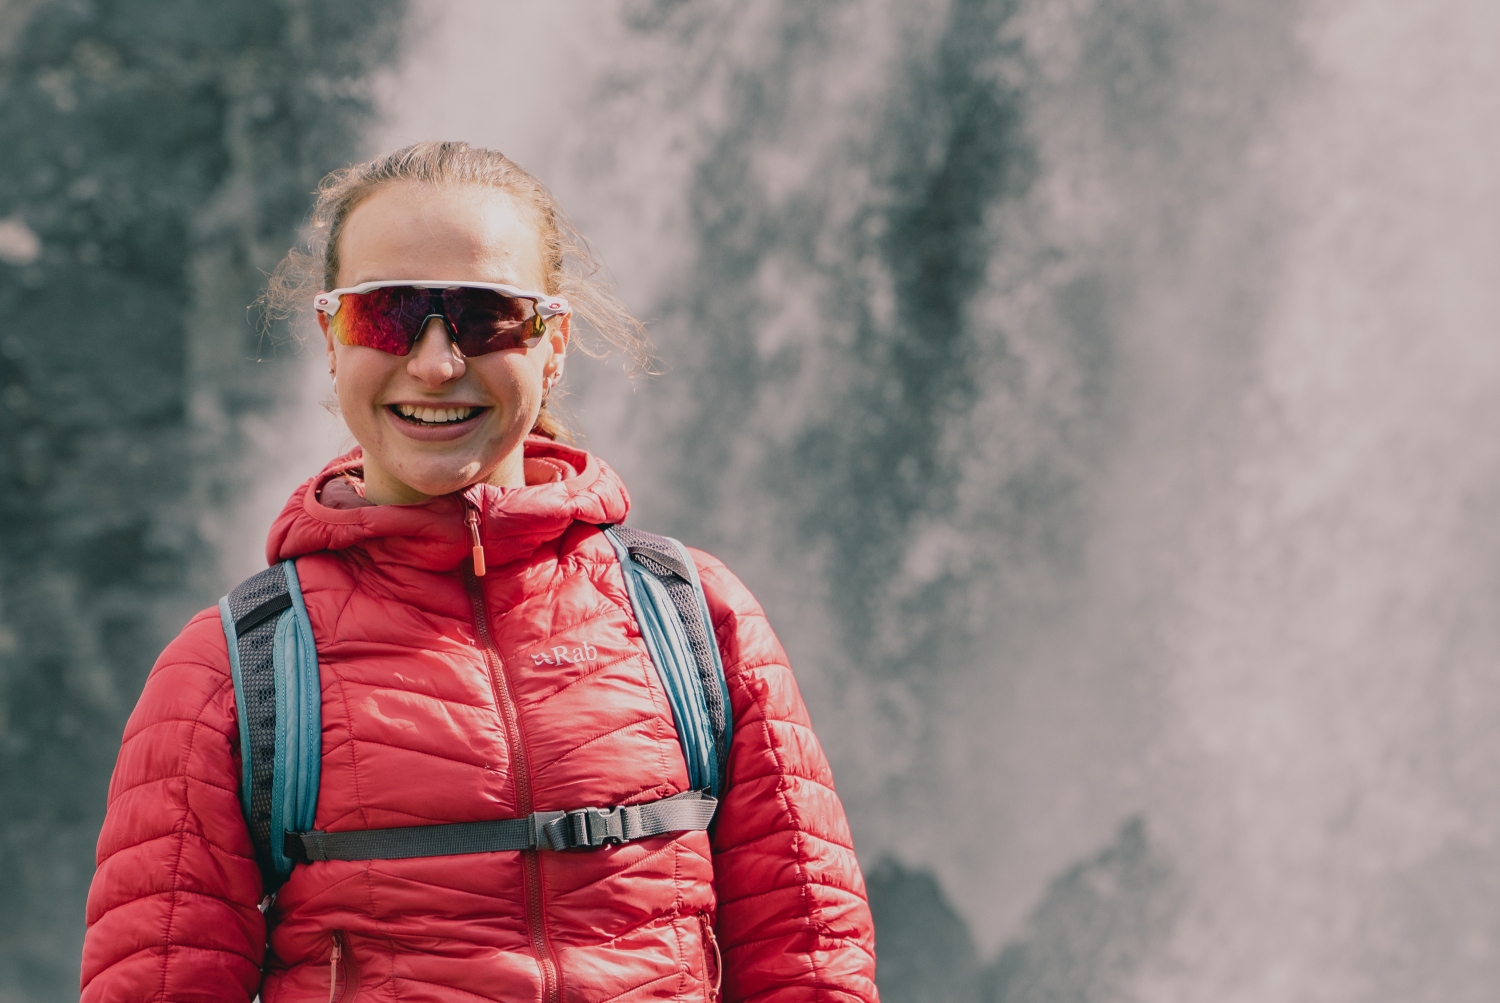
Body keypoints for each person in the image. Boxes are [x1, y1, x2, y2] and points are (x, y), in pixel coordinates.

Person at [78, 141, 878, 1003]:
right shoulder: (230, 676)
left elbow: (810, 963)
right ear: (331, 337)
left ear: (554, 340)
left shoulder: (697, 622)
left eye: (484, 316)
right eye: (385, 315)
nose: (434, 364)